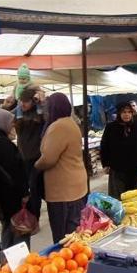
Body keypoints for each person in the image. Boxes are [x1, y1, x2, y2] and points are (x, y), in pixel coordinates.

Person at [35, 93, 88, 243]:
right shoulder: (71, 123)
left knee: (64, 238)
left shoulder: (58, 126)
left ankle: (67, 264)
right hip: (76, 186)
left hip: (64, 191)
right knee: (75, 232)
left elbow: (49, 159)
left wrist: (35, 165)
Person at [0, 109, 30, 248]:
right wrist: (24, 193)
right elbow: (14, 172)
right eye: (10, 122)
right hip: (11, 196)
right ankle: (20, 264)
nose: (12, 125)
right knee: (19, 230)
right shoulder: (3, 144)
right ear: (1, 122)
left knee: (7, 229)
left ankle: (6, 263)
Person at [100, 102, 137, 199]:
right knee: (119, 198)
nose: (126, 114)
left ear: (132, 113)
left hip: (136, 169)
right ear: (119, 113)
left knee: (136, 198)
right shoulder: (111, 128)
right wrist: (105, 163)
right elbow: (104, 146)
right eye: (124, 112)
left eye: (129, 112)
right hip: (118, 169)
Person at [13, 86, 44, 222]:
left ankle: (34, 219)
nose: (22, 104)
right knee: (29, 189)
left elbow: (45, 116)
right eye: (20, 101)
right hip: (23, 158)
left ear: (33, 101)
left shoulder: (39, 114)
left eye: (26, 101)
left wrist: (40, 99)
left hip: (37, 157)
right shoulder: (18, 113)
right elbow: (0, 115)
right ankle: (32, 218)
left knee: (35, 189)